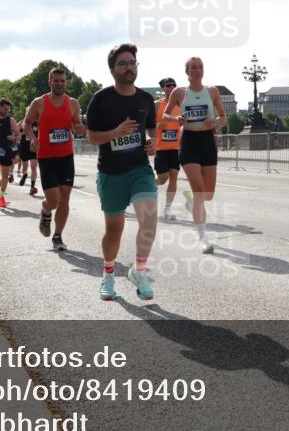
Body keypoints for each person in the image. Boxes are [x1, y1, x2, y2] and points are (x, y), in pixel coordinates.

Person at [86, 44, 158, 301]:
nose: (129, 67)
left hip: (140, 169)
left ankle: (139, 271)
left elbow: (152, 130)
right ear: (112, 69)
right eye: (123, 63)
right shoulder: (101, 99)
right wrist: (115, 133)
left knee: (149, 220)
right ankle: (108, 275)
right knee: (114, 230)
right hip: (111, 172)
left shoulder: (145, 99)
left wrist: (153, 143)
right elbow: (92, 137)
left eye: (132, 62)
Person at [162, 57, 227, 253]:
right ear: (187, 71)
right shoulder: (179, 92)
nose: (197, 70)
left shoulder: (213, 91)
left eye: (200, 67)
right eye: (193, 67)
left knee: (207, 194)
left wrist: (214, 122)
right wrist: (177, 118)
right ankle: (203, 238)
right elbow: (165, 115)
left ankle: (192, 201)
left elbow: (223, 117)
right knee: (199, 190)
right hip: (189, 141)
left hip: (207, 141)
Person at [24, 68, 86, 250]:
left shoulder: (73, 103)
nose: (59, 84)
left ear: (66, 82)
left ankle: (58, 237)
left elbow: (76, 125)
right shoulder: (39, 102)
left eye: (62, 81)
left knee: (65, 198)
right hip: (46, 156)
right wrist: (33, 138)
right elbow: (26, 123)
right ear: (49, 81)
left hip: (66, 156)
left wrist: (79, 128)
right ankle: (45, 210)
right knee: (53, 200)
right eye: (56, 80)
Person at [154, 77, 183, 221]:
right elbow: (150, 125)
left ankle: (168, 208)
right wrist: (160, 125)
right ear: (162, 88)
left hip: (175, 147)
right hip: (161, 148)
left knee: (174, 177)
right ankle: (142, 186)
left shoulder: (181, 104)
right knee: (162, 179)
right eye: (167, 85)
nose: (171, 87)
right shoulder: (157, 105)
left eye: (173, 85)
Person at [18, 119, 39, 195]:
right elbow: (18, 134)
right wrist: (26, 132)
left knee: (34, 166)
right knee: (25, 166)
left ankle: (32, 186)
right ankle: (24, 175)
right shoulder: (22, 123)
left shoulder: (38, 123)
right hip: (24, 147)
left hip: (33, 147)